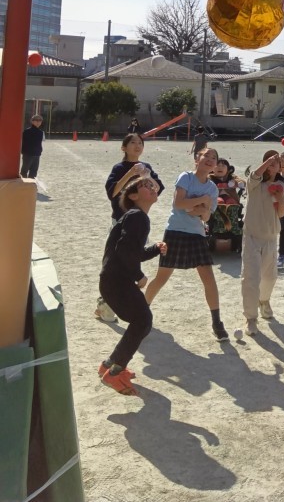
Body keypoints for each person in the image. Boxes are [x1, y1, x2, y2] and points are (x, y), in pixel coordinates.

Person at [144, 148, 229, 342]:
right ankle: (142, 310)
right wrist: (202, 202)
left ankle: (217, 322)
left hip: (197, 234)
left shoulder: (212, 188)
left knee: (209, 278)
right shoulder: (186, 177)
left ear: (215, 165)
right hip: (175, 231)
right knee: (162, 277)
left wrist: (199, 207)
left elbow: (205, 216)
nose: (210, 159)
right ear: (197, 159)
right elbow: (178, 204)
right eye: (206, 156)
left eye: (214, 158)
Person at [98, 175, 167, 395]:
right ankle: (114, 373)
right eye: (145, 186)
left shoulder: (135, 217)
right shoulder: (137, 216)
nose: (152, 187)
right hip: (117, 280)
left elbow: (131, 251)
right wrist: (139, 276)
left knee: (141, 321)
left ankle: (109, 366)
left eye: (152, 185)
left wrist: (155, 249)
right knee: (143, 321)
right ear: (134, 196)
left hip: (113, 279)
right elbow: (125, 250)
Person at [97, 133, 164, 322]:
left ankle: (113, 303)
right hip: (120, 221)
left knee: (131, 259)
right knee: (116, 262)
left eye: (140, 143)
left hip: (138, 222)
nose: (137, 145)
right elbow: (112, 193)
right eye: (133, 142)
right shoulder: (119, 168)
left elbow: (158, 189)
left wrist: (147, 176)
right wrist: (130, 174)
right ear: (123, 148)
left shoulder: (146, 167)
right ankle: (106, 303)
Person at [241, 150, 284, 334]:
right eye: (269, 160)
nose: (273, 162)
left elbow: (282, 213)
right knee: (251, 278)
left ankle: (263, 300)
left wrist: (279, 198)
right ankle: (250, 318)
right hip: (252, 237)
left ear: (280, 168)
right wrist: (268, 161)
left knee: (270, 277)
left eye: (276, 161)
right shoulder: (254, 184)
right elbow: (254, 175)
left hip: (270, 237)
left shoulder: (282, 187)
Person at [20, 114, 45, 179]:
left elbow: (39, 143)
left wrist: (40, 150)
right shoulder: (26, 131)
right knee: (24, 171)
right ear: (32, 121)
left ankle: (30, 184)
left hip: (37, 154)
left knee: (33, 171)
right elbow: (23, 143)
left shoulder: (41, 132)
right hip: (28, 154)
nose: (38, 122)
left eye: (40, 120)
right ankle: (23, 183)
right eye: (36, 120)